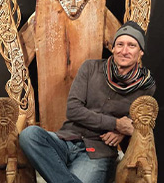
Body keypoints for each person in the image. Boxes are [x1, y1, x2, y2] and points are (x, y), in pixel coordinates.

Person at [19, 21, 156, 183]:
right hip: (66, 140)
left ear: (140, 52)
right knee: (30, 135)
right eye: (120, 44)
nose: (124, 51)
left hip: (97, 153)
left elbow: (138, 124)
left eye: (131, 45)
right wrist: (116, 124)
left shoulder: (146, 86)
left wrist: (123, 131)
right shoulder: (90, 68)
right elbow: (73, 110)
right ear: (113, 48)